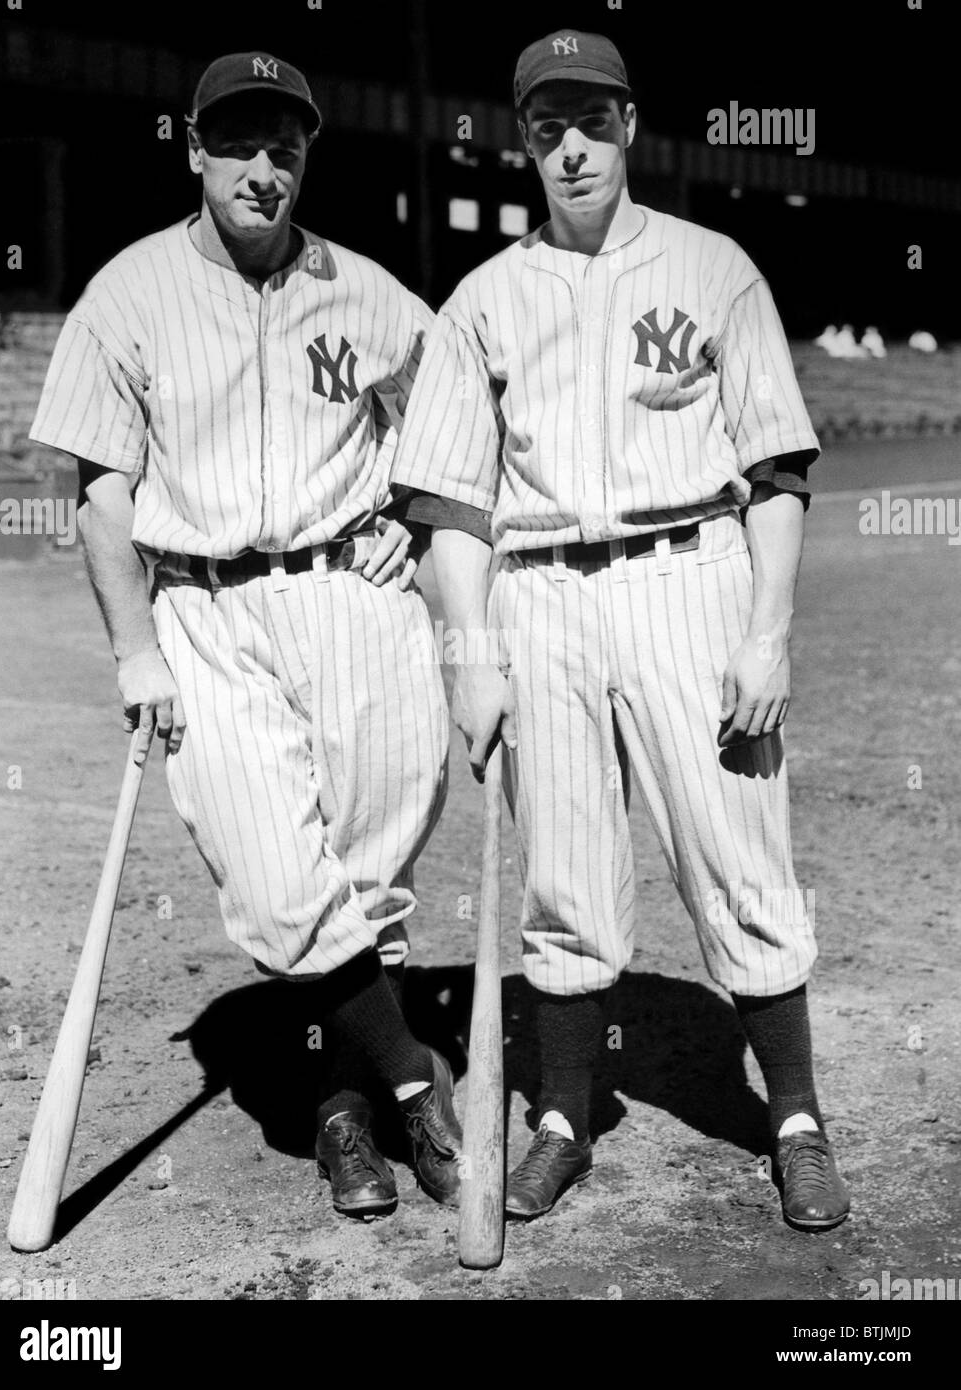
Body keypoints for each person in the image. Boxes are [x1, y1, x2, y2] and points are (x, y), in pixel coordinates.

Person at [390, 29, 850, 1230]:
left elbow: (777, 468)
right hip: (539, 592)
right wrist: (467, 652)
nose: (571, 146)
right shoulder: (482, 300)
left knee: (737, 846)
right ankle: (561, 1116)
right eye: (547, 127)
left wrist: (768, 632)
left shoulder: (713, 268)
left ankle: (792, 1115)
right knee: (563, 875)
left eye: (592, 120)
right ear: (523, 141)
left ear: (630, 124)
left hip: (688, 575)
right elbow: (448, 502)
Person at [30, 51, 463, 1220]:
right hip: (205, 605)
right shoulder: (128, 292)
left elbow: (462, 422)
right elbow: (101, 494)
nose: (262, 168)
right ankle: (414, 1075)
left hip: (352, 597)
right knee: (279, 886)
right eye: (238, 143)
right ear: (194, 148)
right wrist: (134, 650)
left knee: (373, 878)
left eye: (284, 146)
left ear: (306, 156)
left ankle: (339, 1116)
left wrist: (412, 529)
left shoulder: (367, 290)